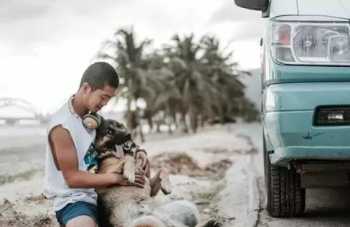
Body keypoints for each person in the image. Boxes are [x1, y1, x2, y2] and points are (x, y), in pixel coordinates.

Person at [43, 62, 149, 227]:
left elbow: (123, 138)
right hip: (74, 200)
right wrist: (117, 179)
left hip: (101, 193)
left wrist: (140, 152)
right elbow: (73, 179)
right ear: (86, 88)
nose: (105, 103)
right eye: (103, 96)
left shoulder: (94, 118)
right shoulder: (62, 127)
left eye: (109, 99)